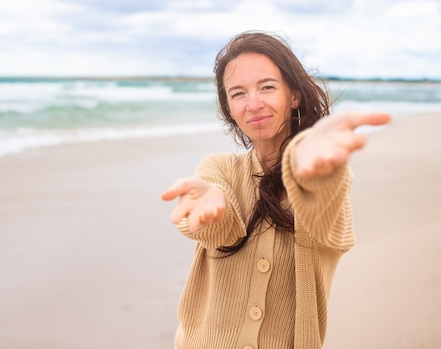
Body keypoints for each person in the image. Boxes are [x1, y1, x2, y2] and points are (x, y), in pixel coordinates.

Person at [161, 31, 390, 349]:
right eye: (238, 93)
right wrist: (213, 211)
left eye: (267, 87)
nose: (253, 104)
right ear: (228, 107)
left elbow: (326, 218)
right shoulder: (219, 167)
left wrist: (316, 174)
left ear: (294, 95)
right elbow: (222, 231)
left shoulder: (320, 175)